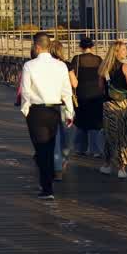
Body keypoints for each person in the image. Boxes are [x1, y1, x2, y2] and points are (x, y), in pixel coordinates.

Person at [17, 31, 74, 200]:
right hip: (55, 110)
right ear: (48, 46)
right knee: (49, 146)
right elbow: (66, 92)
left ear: (36, 46)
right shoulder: (61, 66)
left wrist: (25, 110)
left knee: (41, 149)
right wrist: (70, 112)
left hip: (36, 111)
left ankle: (47, 188)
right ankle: (48, 181)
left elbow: (26, 92)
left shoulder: (29, 66)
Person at [98, 40, 127, 179]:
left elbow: (101, 88)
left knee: (109, 135)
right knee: (124, 135)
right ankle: (122, 168)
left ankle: (107, 165)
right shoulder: (125, 67)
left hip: (108, 105)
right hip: (123, 105)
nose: (126, 51)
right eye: (124, 49)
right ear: (116, 51)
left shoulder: (104, 68)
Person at [68, 36, 105, 157]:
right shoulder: (99, 59)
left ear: (80, 47)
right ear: (92, 46)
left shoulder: (77, 59)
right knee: (95, 122)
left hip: (81, 94)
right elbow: (105, 75)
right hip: (96, 94)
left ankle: (80, 148)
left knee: (81, 121)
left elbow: (71, 75)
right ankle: (96, 150)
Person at [49, 37, 71, 180]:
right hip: (64, 104)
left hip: (51, 104)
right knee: (65, 136)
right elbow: (73, 85)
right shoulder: (66, 65)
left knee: (56, 136)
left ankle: (57, 167)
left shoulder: (46, 66)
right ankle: (62, 161)